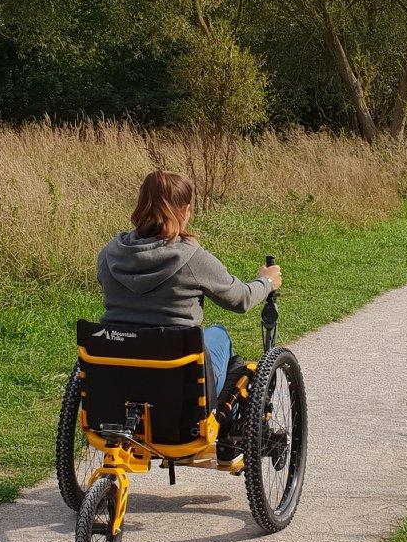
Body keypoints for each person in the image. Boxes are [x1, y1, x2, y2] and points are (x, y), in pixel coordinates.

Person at [96, 169, 283, 408]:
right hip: (180, 385)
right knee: (219, 335)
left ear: (141, 205)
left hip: (119, 378)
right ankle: (227, 414)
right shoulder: (191, 258)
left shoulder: (109, 254)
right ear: (185, 210)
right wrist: (266, 282)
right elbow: (240, 299)